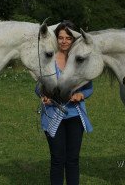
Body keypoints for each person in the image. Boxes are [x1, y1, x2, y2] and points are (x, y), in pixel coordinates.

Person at [35, 20, 93, 185]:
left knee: (73, 160)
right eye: (61, 37)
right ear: (56, 39)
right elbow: (38, 87)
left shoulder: (79, 60)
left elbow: (89, 87)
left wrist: (81, 95)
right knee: (58, 159)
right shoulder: (49, 60)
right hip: (53, 115)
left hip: (75, 115)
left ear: (74, 39)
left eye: (68, 38)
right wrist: (43, 95)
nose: (64, 41)